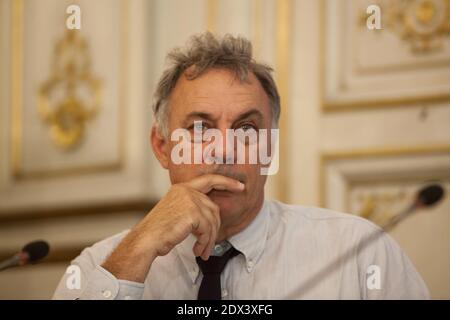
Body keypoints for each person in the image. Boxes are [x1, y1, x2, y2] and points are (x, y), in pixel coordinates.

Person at [53, 32, 429, 300]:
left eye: (246, 129)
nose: (224, 151)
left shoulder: (360, 255)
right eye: (200, 128)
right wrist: (140, 248)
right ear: (162, 146)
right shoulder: (99, 266)